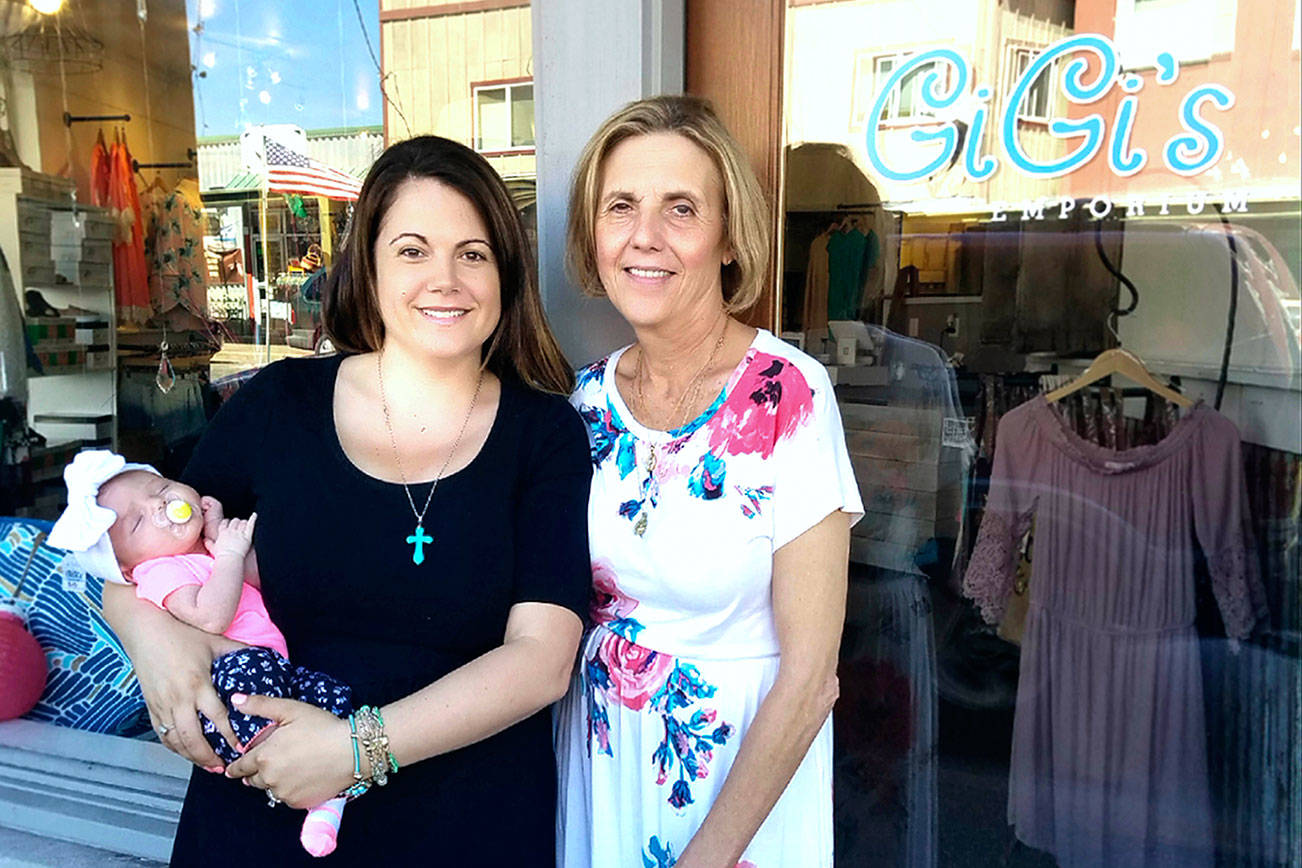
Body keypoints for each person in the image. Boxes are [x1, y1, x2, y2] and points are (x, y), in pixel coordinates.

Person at [102, 134, 592, 866]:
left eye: (474, 253)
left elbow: (542, 659)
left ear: (506, 274)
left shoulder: (544, 432)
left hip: (464, 825)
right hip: (261, 818)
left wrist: (356, 750)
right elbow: (128, 552)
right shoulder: (278, 405)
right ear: (367, 264)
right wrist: (154, 643)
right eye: (413, 250)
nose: (446, 279)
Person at [556, 95, 863, 868]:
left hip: (738, 800)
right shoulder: (583, 403)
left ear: (729, 239)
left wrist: (705, 860)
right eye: (619, 206)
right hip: (600, 771)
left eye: (681, 209)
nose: (643, 237)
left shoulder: (790, 394)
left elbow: (811, 682)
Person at [48, 451, 353, 857]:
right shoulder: (158, 573)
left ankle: (331, 798)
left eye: (161, 489)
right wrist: (228, 553)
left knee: (332, 699)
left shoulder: (196, 553)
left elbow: (263, 577)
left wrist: (214, 534)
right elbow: (209, 615)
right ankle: (305, 785)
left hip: (273, 665)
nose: (159, 506)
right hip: (236, 673)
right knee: (279, 730)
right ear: (125, 569)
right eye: (138, 522)